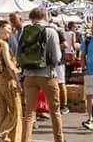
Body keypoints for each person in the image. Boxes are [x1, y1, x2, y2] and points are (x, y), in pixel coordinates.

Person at [19, 7, 64, 142]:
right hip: (47, 74)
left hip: (29, 75)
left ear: (32, 17)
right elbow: (56, 57)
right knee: (54, 110)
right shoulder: (51, 31)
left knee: (29, 112)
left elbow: (18, 54)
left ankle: (25, 140)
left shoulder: (25, 31)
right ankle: (59, 139)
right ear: (45, 16)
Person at [0, 20, 22, 142]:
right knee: (15, 111)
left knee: (0, 115)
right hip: (6, 81)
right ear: (1, 28)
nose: (10, 30)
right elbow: (9, 65)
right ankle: (3, 135)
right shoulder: (3, 44)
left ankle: (0, 136)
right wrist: (17, 82)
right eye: (8, 28)